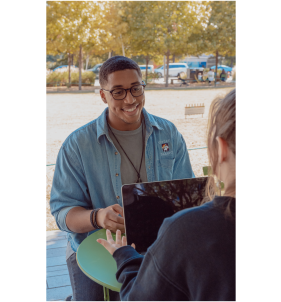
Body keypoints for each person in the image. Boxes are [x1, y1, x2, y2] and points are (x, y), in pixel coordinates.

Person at [50, 56, 195, 302]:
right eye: (118, 92)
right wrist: (98, 217)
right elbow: (63, 213)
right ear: (103, 96)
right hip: (94, 247)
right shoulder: (77, 144)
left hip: (159, 242)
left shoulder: (169, 133)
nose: (130, 99)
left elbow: (189, 196)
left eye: (136, 88)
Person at [97, 88, 236, 302]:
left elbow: (139, 298)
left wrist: (124, 256)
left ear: (222, 149)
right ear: (103, 95)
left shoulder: (185, 230)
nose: (130, 98)